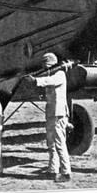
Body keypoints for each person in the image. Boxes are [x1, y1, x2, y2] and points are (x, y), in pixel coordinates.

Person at [25, 53, 71, 182]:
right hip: (51, 113)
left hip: (58, 114)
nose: (45, 69)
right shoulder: (52, 74)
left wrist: (35, 80)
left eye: (46, 66)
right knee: (51, 143)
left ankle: (66, 173)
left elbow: (50, 81)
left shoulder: (60, 75)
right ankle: (52, 170)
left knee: (59, 143)